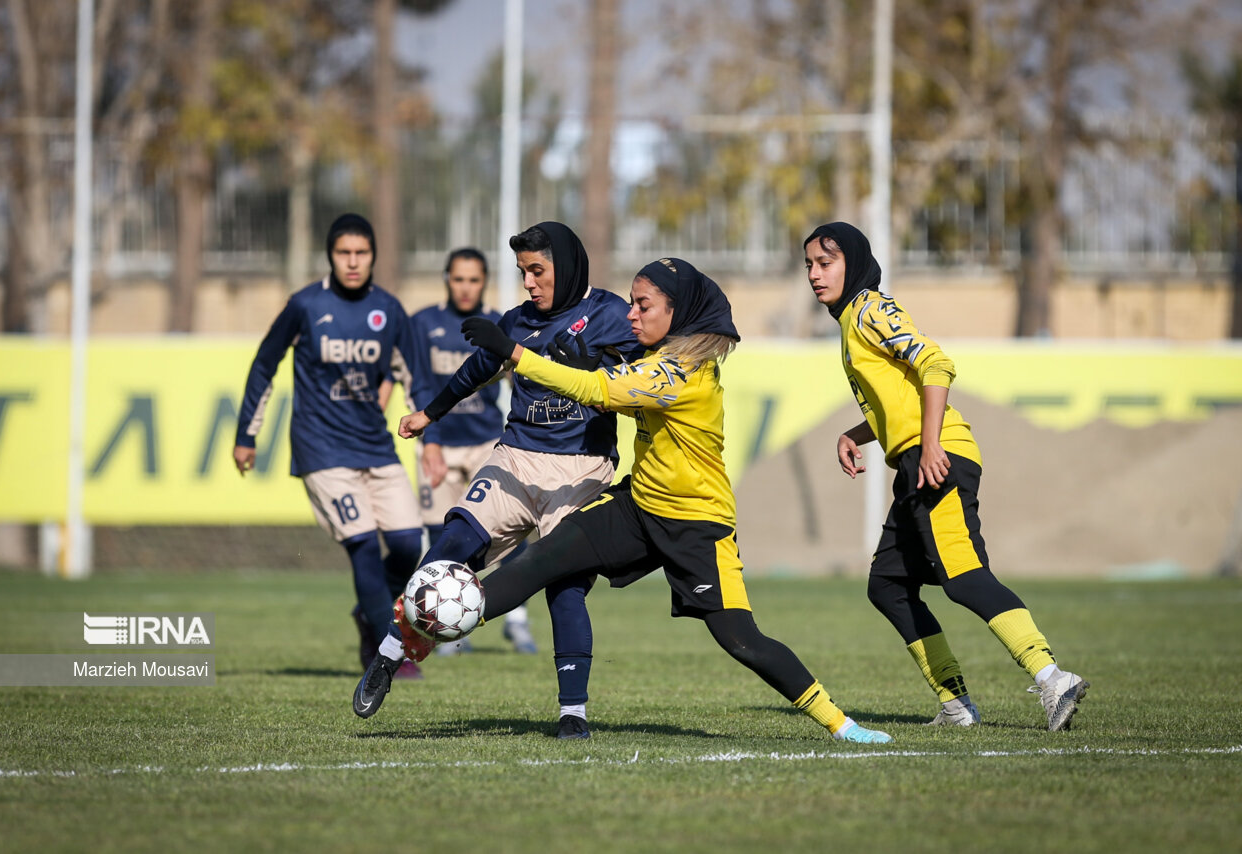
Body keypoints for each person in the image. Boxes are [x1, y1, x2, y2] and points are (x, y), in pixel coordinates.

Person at [355, 256, 895, 745]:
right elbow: (610, 375)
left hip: (696, 526)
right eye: (632, 303)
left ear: (677, 312)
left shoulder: (679, 372)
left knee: (742, 640)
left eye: (644, 306)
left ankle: (840, 723)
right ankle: (429, 630)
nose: (631, 315)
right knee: (540, 561)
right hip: (637, 507)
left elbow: (598, 391)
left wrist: (517, 354)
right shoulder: (660, 356)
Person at [805, 221, 1089, 731]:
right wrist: (856, 433)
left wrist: (932, 444)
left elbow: (936, 364)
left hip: (936, 456)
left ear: (853, 262)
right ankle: (956, 705)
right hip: (917, 457)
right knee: (887, 584)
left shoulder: (870, 307)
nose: (814, 274)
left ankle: (1052, 678)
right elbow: (899, 399)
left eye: (826, 263)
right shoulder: (850, 320)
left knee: (963, 578)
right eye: (808, 264)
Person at [386, 222, 645, 739]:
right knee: (453, 541)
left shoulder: (611, 315)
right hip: (517, 458)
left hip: (582, 466)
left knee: (564, 589)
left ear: (566, 267)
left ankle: (573, 714)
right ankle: (389, 653)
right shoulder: (519, 320)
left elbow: (648, 375)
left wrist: (606, 373)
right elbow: (473, 372)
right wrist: (428, 415)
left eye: (537, 271)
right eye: (523, 272)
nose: (528, 283)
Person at [234, 212, 434, 678]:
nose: (352, 262)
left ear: (373, 257)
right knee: (363, 545)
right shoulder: (304, 305)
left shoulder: (389, 309)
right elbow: (265, 365)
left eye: (361, 253)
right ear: (330, 256)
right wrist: (247, 434)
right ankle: (388, 648)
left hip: (375, 446)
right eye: (344, 253)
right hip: (321, 449)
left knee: (409, 546)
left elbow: (415, 378)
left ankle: (370, 611)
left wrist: (432, 441)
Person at [412, 247, 536, 655]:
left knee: (505, 530)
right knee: (442, 536)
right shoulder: (423, 324)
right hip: (439, 446)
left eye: (474, 279)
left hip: (486, 442)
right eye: (459, 278)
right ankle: (448, 627)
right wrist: (428, 443)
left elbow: (519, 381)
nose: (466, 287)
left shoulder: (498, 325)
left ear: (484, 282)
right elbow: (418, 384)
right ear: (447, 279)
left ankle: (516, 619)